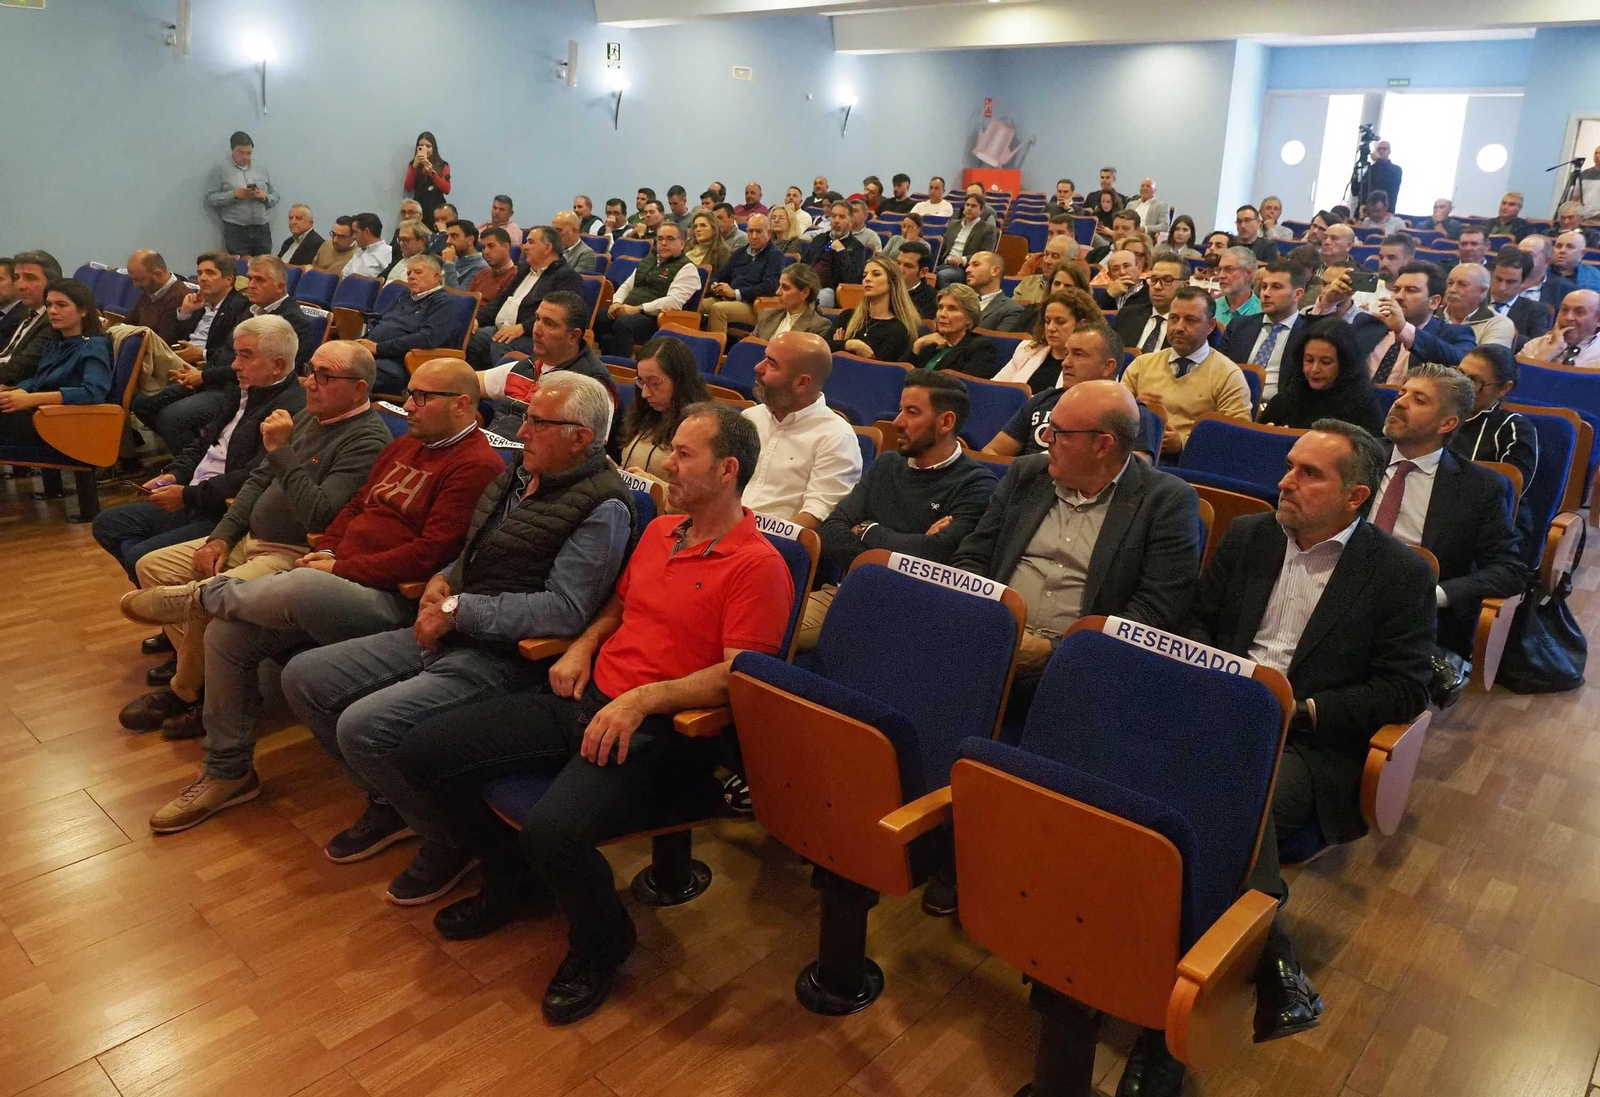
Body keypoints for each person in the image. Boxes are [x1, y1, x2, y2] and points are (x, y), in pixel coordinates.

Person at [386, 400, 791, 1024]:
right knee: (423, 752)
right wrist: (581, 648)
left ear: (727, 469)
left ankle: (603, 942)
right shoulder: (661, 531)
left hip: (663, 734)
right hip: (591, 700)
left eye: (684, 454)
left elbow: (741, 673)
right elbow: (618, 607)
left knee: (553, 832)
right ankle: (513, 879)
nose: (667, 464)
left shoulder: (758, 566)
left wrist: (644, 698)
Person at [1135, 419, 1434, 1097]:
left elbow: (1404, 688)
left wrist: (1299, 708)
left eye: (1308, 474)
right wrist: (1216, 675)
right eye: (1290, 466)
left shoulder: (1398, 573)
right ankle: (1271, 953)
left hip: (1306, 743)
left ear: (1356, 497)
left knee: (1217, 810)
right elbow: (1197, 619)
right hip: (1214, 713)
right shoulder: (1250, 536)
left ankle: (1162, 1031)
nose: (1284, 482)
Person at [280, 372, 636, 906]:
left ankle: (453, 841)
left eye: (539, 423)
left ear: (580, 438)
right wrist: (445, 579)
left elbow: (564, 611)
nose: (522, 431)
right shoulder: (523, 473)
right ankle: (395, 803)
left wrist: (457, 609)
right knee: (304, 677)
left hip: (507, 659)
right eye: (526, 418)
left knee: (364, 726)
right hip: (456, 628)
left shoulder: (603, 507)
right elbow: (477, 550)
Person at [139, 360, 506, 828]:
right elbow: (355, 506)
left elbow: (430, 555)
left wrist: (339, 567)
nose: (408, 406)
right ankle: (228, 771)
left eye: (421, 397)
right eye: (409, 393)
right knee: (226, 636)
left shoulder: (476, 465)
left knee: (299, 584)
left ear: (461, 404)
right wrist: (328, 548)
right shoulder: (406, 446)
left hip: (392, 599)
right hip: (340, 576)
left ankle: (197, 598)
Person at [116, 341, 391, 733]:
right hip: (249, 539)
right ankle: (204, 680)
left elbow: (318, 517)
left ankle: (188, 692)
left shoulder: (367, 440)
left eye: (325, 376)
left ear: (359, 388)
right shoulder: (309, 417)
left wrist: (280, 450)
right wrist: (221, 537)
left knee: (210, 597)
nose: (311, 383)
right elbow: (258, 480)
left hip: (293, 554)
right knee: (152, 565)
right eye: (310, 371)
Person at [954, 378, 1200, 718]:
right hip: (989, 642)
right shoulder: (1027, 474)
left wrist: (1055, 651)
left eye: (1059, 432)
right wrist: (986, 623)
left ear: (1103, 445)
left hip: (1085, 670)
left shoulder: (1166, 502)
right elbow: (973, 556)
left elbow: (1155, 611)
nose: (1045, 438)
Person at [93, 316, 306, 613]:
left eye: (246, 356)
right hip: (193, 494)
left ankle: (173, 618)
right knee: (108, 524)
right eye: (236, 354)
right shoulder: (241, 388)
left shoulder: (291, 409)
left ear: (278, 365)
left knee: (140, 555)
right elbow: (204, 442)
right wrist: (173, 474)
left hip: (221, 510)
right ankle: (171, 612)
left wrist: (187, 495)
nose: (235, 365)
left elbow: (252, 476)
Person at [811, 370, 996, 636]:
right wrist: (908, 549)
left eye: (912, 412)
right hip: (847, 593)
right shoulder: (887, 464)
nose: (897, 421)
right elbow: (830, 531)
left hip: (913, 613)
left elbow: (935, 557)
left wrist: (866, 529)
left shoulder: (976, 484)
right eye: (901, 409)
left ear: (945, 422)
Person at [1372, 364, 1527, 677]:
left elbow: (1509, 569)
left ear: (1448, 423)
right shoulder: (1358, 459)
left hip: (1414, 618)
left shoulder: (1479, 487)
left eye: (1419, 399)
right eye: (1402, 393)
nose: (1400, 402)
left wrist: (1437, 595)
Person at [741, 331, 862, 527]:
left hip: (775, 541)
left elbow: (815, 518)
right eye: (764, 358)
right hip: (722, 531)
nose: (758, 367)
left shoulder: (836, 437)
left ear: (802, 383)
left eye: (772, 363)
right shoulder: (750, 418)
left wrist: (749, 537)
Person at [1121, 286, 1251, 456]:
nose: (1179, 327)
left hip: (1193, 462)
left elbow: (1236, 437)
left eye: (1190, 320)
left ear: (1210, 326)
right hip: (1137, 455)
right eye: (1174, 318)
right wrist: (1134, 410)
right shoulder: (1142, 365)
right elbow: (1114, 418)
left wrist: (1183, 443)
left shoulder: (1228, 375)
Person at [477, 291, 615, 439]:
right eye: (537, 319)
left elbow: (590, 446)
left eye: (549, 324)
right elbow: (468, 381)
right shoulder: (528, 366)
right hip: (493, 445)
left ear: (573, 336)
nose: (536, 330)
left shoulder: (593, 384)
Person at [0, 278, 112, 446]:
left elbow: (92, 392)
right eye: (49, 305)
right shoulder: (55, 342)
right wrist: (20, 391)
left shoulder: (94, 345)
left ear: (83, 310)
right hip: (42, 414)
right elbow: (39, 379)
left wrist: (32, 399)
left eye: (61, 305)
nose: (52, 311)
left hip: (65, 423)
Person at [1451, 345, 1540, 555]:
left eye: (1474, 381)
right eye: (1459, 374)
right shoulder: (1436, 413)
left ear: (1504, 389)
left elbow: (1508, 492)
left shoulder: (1514, 428)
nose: (1462, 386)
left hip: (1488, 530)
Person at [467, 226, 585, 366]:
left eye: (530, 242)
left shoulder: (566, 276)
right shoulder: (524, 269)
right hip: (503, 329)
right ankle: (476, 379)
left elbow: (560, 316)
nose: (525, 247)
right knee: (471, 337)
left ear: (547, 248)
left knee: (502, 345)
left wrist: (522, 327)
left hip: (533, 336)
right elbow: (500, 301)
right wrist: (477, 320)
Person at [1347, 261, 1477, 380]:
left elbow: (1463, 366)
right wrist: (1335, 302)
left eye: (1411, 290)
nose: (1399, 296)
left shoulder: (1455, 334)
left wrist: (1403, 329)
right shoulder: (1369, 324)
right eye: (1396, 290)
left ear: (1434, 302)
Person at [351, 254, 456, 392]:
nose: (411, 277)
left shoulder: (445, 302)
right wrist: (362, 343)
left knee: (351, 375)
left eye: (418, 272)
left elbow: (427, 338)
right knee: (335, 360)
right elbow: (382, 321)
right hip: (374, 354)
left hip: (403, 363)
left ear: (436, 276)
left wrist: (378, 348)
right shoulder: (404, 295)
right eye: (409, 273)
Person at [1260, 319, 1384, 434]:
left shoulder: (1363, 406)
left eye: (1326, 362)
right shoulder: (1286, 398)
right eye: (1309, 360)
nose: (1314, 369)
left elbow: (1370, 448)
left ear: (1345, 364)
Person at [593, 223, 699, 357]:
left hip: (655, 319)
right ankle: (607, 360)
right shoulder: (649, 260)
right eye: (660, 239)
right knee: (601, 316)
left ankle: (621, 364)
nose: (664, 243)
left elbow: (674, 302)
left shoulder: (687, 268)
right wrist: (617, 303)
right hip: (629, 311)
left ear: (682, 243)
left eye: (670, 239)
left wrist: (639, 309)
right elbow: (626, 286)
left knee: (624, 323)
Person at [618, 336, 711, 481]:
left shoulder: (701, 428)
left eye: (654, 383)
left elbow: (697, 492)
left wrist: (652, 485)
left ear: (680, 381)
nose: (644, 393)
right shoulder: (645, 413)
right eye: (641, 381)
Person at [1217, 259, 1309, 398]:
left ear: (1297, 294)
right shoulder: (1239, 325)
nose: (1266, 293)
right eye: (1264, 286)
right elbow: (1218, 368)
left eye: (1276, 287)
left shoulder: (1308, 332)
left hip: (1279, 406)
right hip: (1232, 399)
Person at [994, 288, 1099, 393]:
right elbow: (995, 389)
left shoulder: (1090, 364)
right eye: (1047, 321)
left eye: (1060, 322)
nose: (1050, 328)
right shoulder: (1027, 350)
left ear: (1082, 325)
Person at [701, 214, 784, 334]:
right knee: (697, 305)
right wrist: (715, 286)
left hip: (753, 305)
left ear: (769, 233)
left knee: (718, 309)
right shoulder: (740, 253)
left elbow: (770, 287)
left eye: (758, 232)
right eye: (750, 231)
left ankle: (714, 346)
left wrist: (736, 293)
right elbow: (719, 275)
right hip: (728, 298)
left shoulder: (775, 255)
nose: (754, 236)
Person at [828, 256, 919, 363]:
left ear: (892, 282)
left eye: (876, 274)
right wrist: (849, 344)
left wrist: (838, 347)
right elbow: (823, 348)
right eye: (864, 275)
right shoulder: (847, 316)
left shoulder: (898, 329)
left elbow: (877, 368)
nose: (867, 279)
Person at [206, 131, 277, 255]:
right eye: (241, 152)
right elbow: (210, 198)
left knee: (265, 264)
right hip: (236, 228)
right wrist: (233, 195)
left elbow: (275, 195)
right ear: (232, 150)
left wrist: (265, 197)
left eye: (249, 153)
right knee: (241, 265)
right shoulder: (220, 168)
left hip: (262, 227)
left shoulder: (261, 167)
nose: (245, 157)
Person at [0, 251, 61, 388]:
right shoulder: (28, 312)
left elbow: (19, 370)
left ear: (52, 283)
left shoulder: (54, 321)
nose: (20, 285)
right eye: (17, 277)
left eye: (30, 278)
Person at [910, 285, 998, 378]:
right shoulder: (930, 342)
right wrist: (917, 345)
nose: (942, 314)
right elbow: (902, 377)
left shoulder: (980, 348)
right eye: (940, 307)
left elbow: (966, 384)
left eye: (952, 309)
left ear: (969, 318)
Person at [1112, 251, 1183, 355]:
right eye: (1153, 279)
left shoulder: (1189, 325)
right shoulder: (1127, 315)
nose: (1157, 286)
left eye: (1167, 280)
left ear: (1185, 285)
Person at [802, 202, 868, 310]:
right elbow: (804, 264)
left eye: (842, 217)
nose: (836, 220)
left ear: (850, 222)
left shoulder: (857, 247)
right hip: (808, 285)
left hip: (832, 290)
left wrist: (841, 251)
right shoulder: (820, 239)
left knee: (812, 300)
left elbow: (851, 277)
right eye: (834, 216)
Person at [1438, 262, 1515, 348]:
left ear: (1482, 291)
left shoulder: (1498, 324)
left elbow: (1487, 356)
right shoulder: (1431, 314)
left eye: (1462, 284)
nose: (1452, 289)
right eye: (1450, 283)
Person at [123, 250, 189, 346]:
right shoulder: (149, 290)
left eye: (138, 280)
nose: (135, 285)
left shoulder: (180, 298)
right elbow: (130, 323)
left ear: (158, 274)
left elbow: (162, 344)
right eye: (133, 279)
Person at [1520, 289, 1600, 367]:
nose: (1568, 317)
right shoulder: (1535, 345)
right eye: (1564, 310)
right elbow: (1520, 374)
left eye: (1579, 312)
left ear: (1598, 320)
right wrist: (1551, 351)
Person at [1488, 247, 1551, 345]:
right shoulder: (1474, 300)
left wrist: (1502, 332)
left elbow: (1536, 345)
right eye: (1498, 279)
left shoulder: (1536, 311)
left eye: (1510, 282)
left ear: (1523, 282)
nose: (1502, 288)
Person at [753, 263, 832, 340]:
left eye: (785, 288)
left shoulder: (818, 327)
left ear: (805, 293)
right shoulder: (767, 315)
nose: (777, 292)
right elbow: (751, 345)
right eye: (779, 285)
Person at [935, 192, 998, 286]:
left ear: (981, 210)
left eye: (973, 206)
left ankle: (949, 296)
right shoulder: (953, 225)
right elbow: (943, 248)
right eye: (967, 205)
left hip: (965, 268)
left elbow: (985, 255)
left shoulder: (987, 229)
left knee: (942, 276)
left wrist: (963, 259)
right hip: (944, 264)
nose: (969, 208)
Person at [1517, 234, 1578, 314]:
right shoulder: (1503, 280)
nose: (1521, 258)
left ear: (1547, 261)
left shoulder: (1564, 290)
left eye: (1529, 255)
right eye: (1519, 253)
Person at [401, 131, 451, 225]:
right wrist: (414, 166)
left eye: (428, 146)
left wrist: (432, 172)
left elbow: (447, 189)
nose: (425, 149)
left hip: (437, 207)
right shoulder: (413, 164)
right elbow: (408, 187)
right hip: (419, 208)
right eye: (421, 146)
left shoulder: (442, 165)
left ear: (433, 148)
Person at [1013, 236, 1076, 306]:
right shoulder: (1027, 283)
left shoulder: (1077, 290)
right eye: (1046, 254)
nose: (1047, 261)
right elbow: (1013, 310)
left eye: (1055, 256)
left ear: (1071, 261)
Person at [467, 226, 521, 306]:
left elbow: (499, 309)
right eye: (483, 247)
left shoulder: (515, 276)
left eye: (491, 246)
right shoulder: (481, 274)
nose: (485, 252)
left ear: (506, 247)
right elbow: (466, 302)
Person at [1213, 246, 1263, 329]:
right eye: (1219, 269)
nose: (1221, 275)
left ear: (1248, 273)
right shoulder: (1210, 308)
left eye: (1229, 269)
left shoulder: (1262, 313)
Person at [438, 219, 488, 289]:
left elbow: (458, 295)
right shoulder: (454, 258)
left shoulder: (480, 267)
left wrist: (449, 263)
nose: (448, 241)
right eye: (447, 236)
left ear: (470, 240)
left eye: (454, 236)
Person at [342, 213, 392, 278]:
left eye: (355, 232)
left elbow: (388, 280)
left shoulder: (388, 253)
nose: (353, 236)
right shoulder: (359, 251)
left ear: (366, 231)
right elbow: (343, 275)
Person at [897, 242, 938, 319]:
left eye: (908, 266)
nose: (900, 269)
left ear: (923, 272)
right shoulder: (884, 287)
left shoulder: (932, 298)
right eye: (898, 263)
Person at [547, 211, 596, 275]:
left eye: (559, 230)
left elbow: (574, 278)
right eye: (553, 231)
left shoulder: (586, 254)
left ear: (574, 230)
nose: (555, 235)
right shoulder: (551, 249)